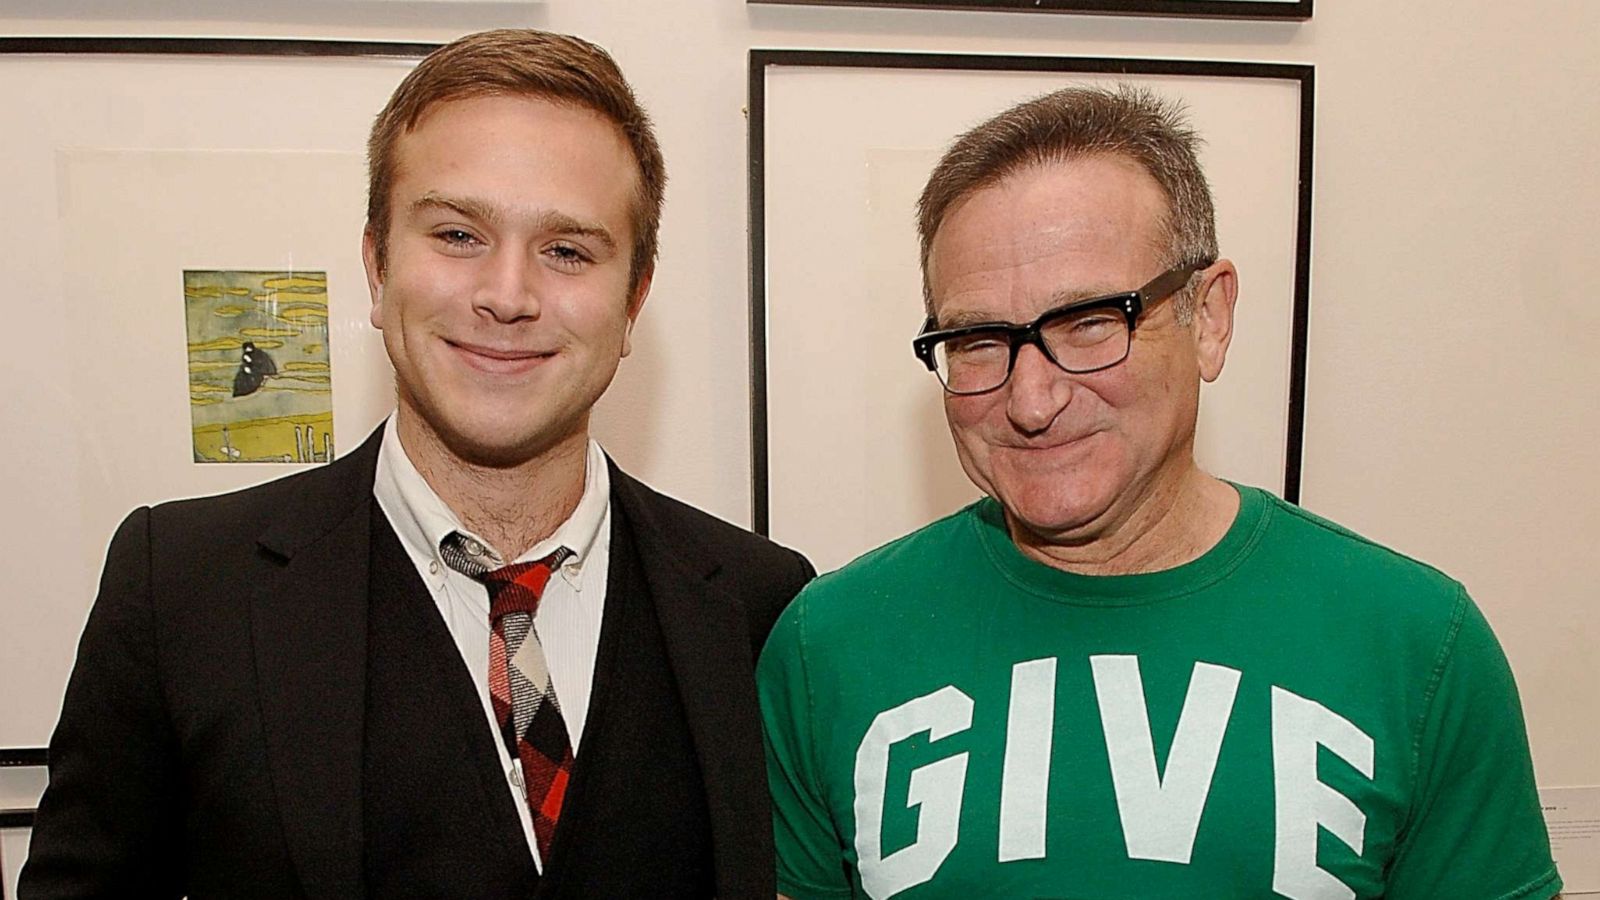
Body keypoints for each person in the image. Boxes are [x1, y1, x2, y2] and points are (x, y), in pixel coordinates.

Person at [22, 29, 813, 899]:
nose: (507, 295)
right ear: (376, 265)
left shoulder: (761, 606)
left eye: (567, 251)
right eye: (457, 233)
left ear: (634, 301)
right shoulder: (179, 589)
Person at [757, 85, 1561, 899]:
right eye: (977, 340)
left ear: (1208, 317)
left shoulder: (1416, 645)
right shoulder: (827, 645)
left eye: (1092, 322)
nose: (1032, 402)